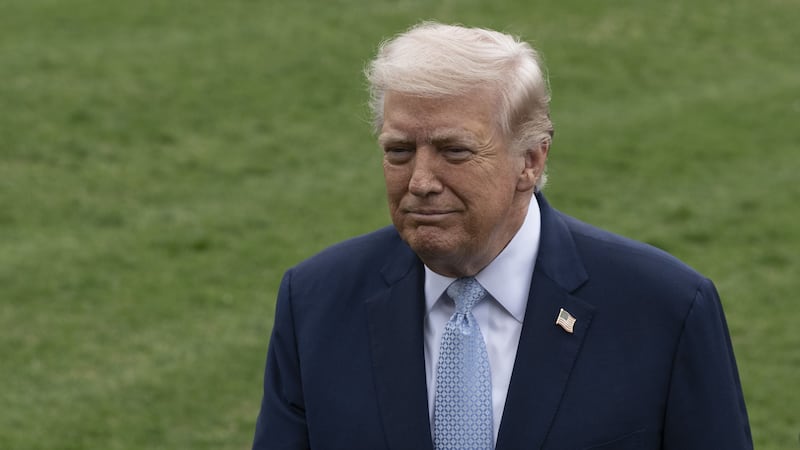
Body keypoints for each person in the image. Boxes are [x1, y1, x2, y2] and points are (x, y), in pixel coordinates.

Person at [252, 22, 752, 450]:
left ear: (531, 160)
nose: (421, 182)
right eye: (400, 151)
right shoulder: (315, 302)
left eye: (455, 152)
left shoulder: (666, 309)